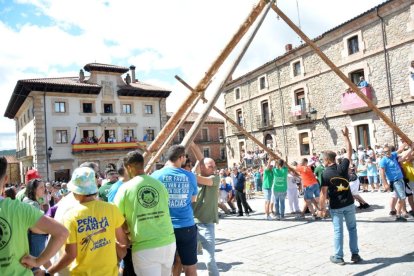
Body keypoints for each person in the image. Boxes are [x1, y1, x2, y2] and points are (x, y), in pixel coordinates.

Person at [48, 167, 128, 275]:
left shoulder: (71, 216)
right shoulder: (111, 208)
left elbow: (71, 255)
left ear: (76, 191)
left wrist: (49, 272)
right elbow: (123, 244)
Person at [0, 156, 68, 275]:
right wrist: (37, 261)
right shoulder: (20, 208)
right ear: (6, 179)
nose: (43, 190)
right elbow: (62, 233)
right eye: (41, 187)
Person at [115, 151, 176, 276]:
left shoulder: (124, 189)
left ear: (129, 167)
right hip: (168, 242)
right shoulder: (159, 185)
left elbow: (116, 220)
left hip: (145, 246)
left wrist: (125, 235)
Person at [151, 145, 198, 276]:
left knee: (167, 268)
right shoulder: (190, 176)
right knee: (190, 267)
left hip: (164, 226)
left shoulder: (155, 176)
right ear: (181, 157)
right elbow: (193, 199)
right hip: (186, 226)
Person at [318, 126, 362, 265]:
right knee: (352, 229)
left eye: (322, 160)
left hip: (336, 206)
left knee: (338, 231)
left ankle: (338, 257)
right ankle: (355, 255)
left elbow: (323, 193)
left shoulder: (325, 173)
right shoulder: (343, 166)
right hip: (349, 203)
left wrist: (321, 209)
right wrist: (346, 137)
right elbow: (349, 151)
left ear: (326, 160)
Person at [190, 143, 220, 276]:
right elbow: (200, 159)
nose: (214, 168)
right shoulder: (193, 178)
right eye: (210, 166)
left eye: (214, 165)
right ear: (202, 167)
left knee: (209, 259)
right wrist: (191, 144)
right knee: (189, 260)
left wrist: (182, 172)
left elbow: (200, 178)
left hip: (207, 224)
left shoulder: (215, 178)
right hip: (191, 224)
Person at [22, 178, 51, 272]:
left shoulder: (34, 200)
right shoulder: (31, 203)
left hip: (36, 237)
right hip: (35, 237)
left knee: (42, 261)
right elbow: (33, 226)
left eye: (44, 187)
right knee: (35, 266)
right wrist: (49, 231)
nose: (44, 189)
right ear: (34, 190)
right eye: (41, 187)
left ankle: (54, 271)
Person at [379, 143, 413, 222]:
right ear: (383, 153)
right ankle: (398, 215)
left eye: (388, 151)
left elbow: (400, 149)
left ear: (390, 151)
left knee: (401, 197)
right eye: (385, 152)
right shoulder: (383, 161)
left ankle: (398, 214)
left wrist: (406, 144)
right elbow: (382, 173)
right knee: (402, 197)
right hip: (395, 181)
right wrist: (385, 184)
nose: (387, 153)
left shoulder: (393, 155)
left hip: (401, 179)